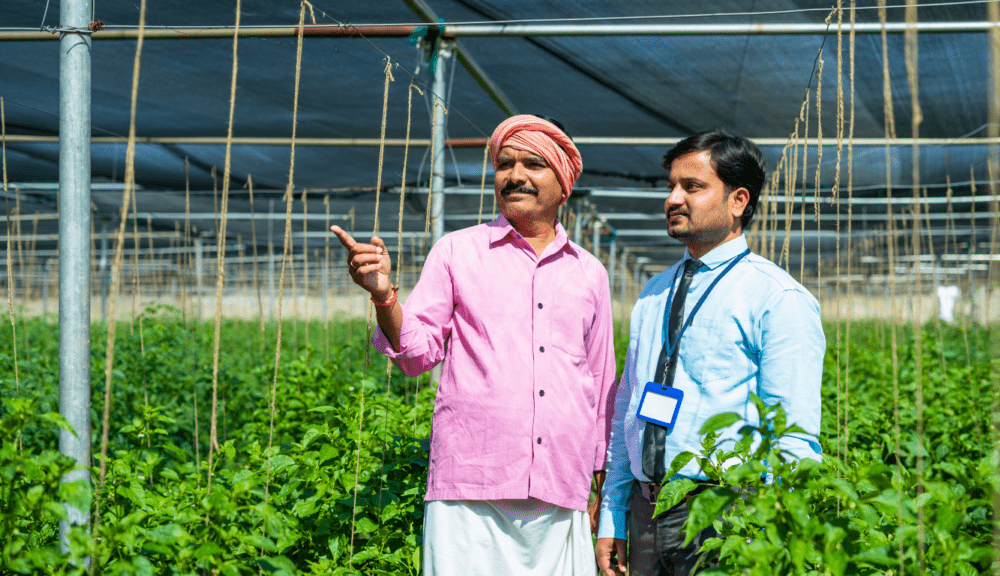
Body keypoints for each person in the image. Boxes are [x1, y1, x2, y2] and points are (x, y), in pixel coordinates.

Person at [331, 114, 616, 576]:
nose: (515, 176)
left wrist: (606, 495)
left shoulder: (590, 273)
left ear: (564, 182)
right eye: (505, 163)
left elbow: (601, 388)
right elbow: (417, 355)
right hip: (471, 486)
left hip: (560, 488)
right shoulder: (458, 252)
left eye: (534, 163)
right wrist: (384, 295)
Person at [595, 130, 825, 576]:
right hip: (645, 512)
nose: (674, 199)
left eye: (692, 186)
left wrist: (779, 534)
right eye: (671, 187)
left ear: (738, 200)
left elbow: (794, 435)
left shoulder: (777, 298)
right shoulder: (654, 292)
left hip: (726, 514)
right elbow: (628, 406)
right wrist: (613, 515)